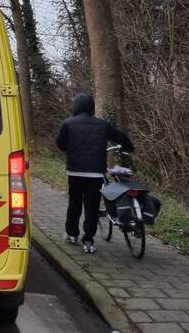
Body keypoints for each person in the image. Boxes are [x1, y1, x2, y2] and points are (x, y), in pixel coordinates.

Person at [55, 93, 134, 254]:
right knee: (91, 207)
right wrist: (129, 147)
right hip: (95, 174)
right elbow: (121, 138)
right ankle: (89, 240)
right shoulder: (103, 125)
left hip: (75, 171)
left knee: (74, 203)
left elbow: (60, 144)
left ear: (75, 107)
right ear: (92, 107)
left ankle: (71, 234)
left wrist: (71, 150)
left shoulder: (68, 124)